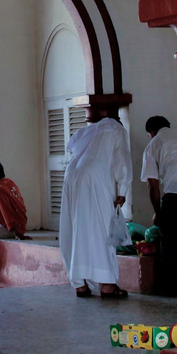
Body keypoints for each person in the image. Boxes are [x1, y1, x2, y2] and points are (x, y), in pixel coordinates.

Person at [59, 115, 132, 299]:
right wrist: (123, 189)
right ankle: (107, 285)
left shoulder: (86, 131)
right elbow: (122, 158)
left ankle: (80, 285)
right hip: (95, 176)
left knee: (75, 229)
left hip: (72, 175)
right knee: (101, 229)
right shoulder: (117, 129)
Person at [139, 115, 177, 296]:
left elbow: (153, 186)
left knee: (169, 242)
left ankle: (168, 287)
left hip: (175, 194)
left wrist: (158, 212)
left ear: (151, 132)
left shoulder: (153, 144)